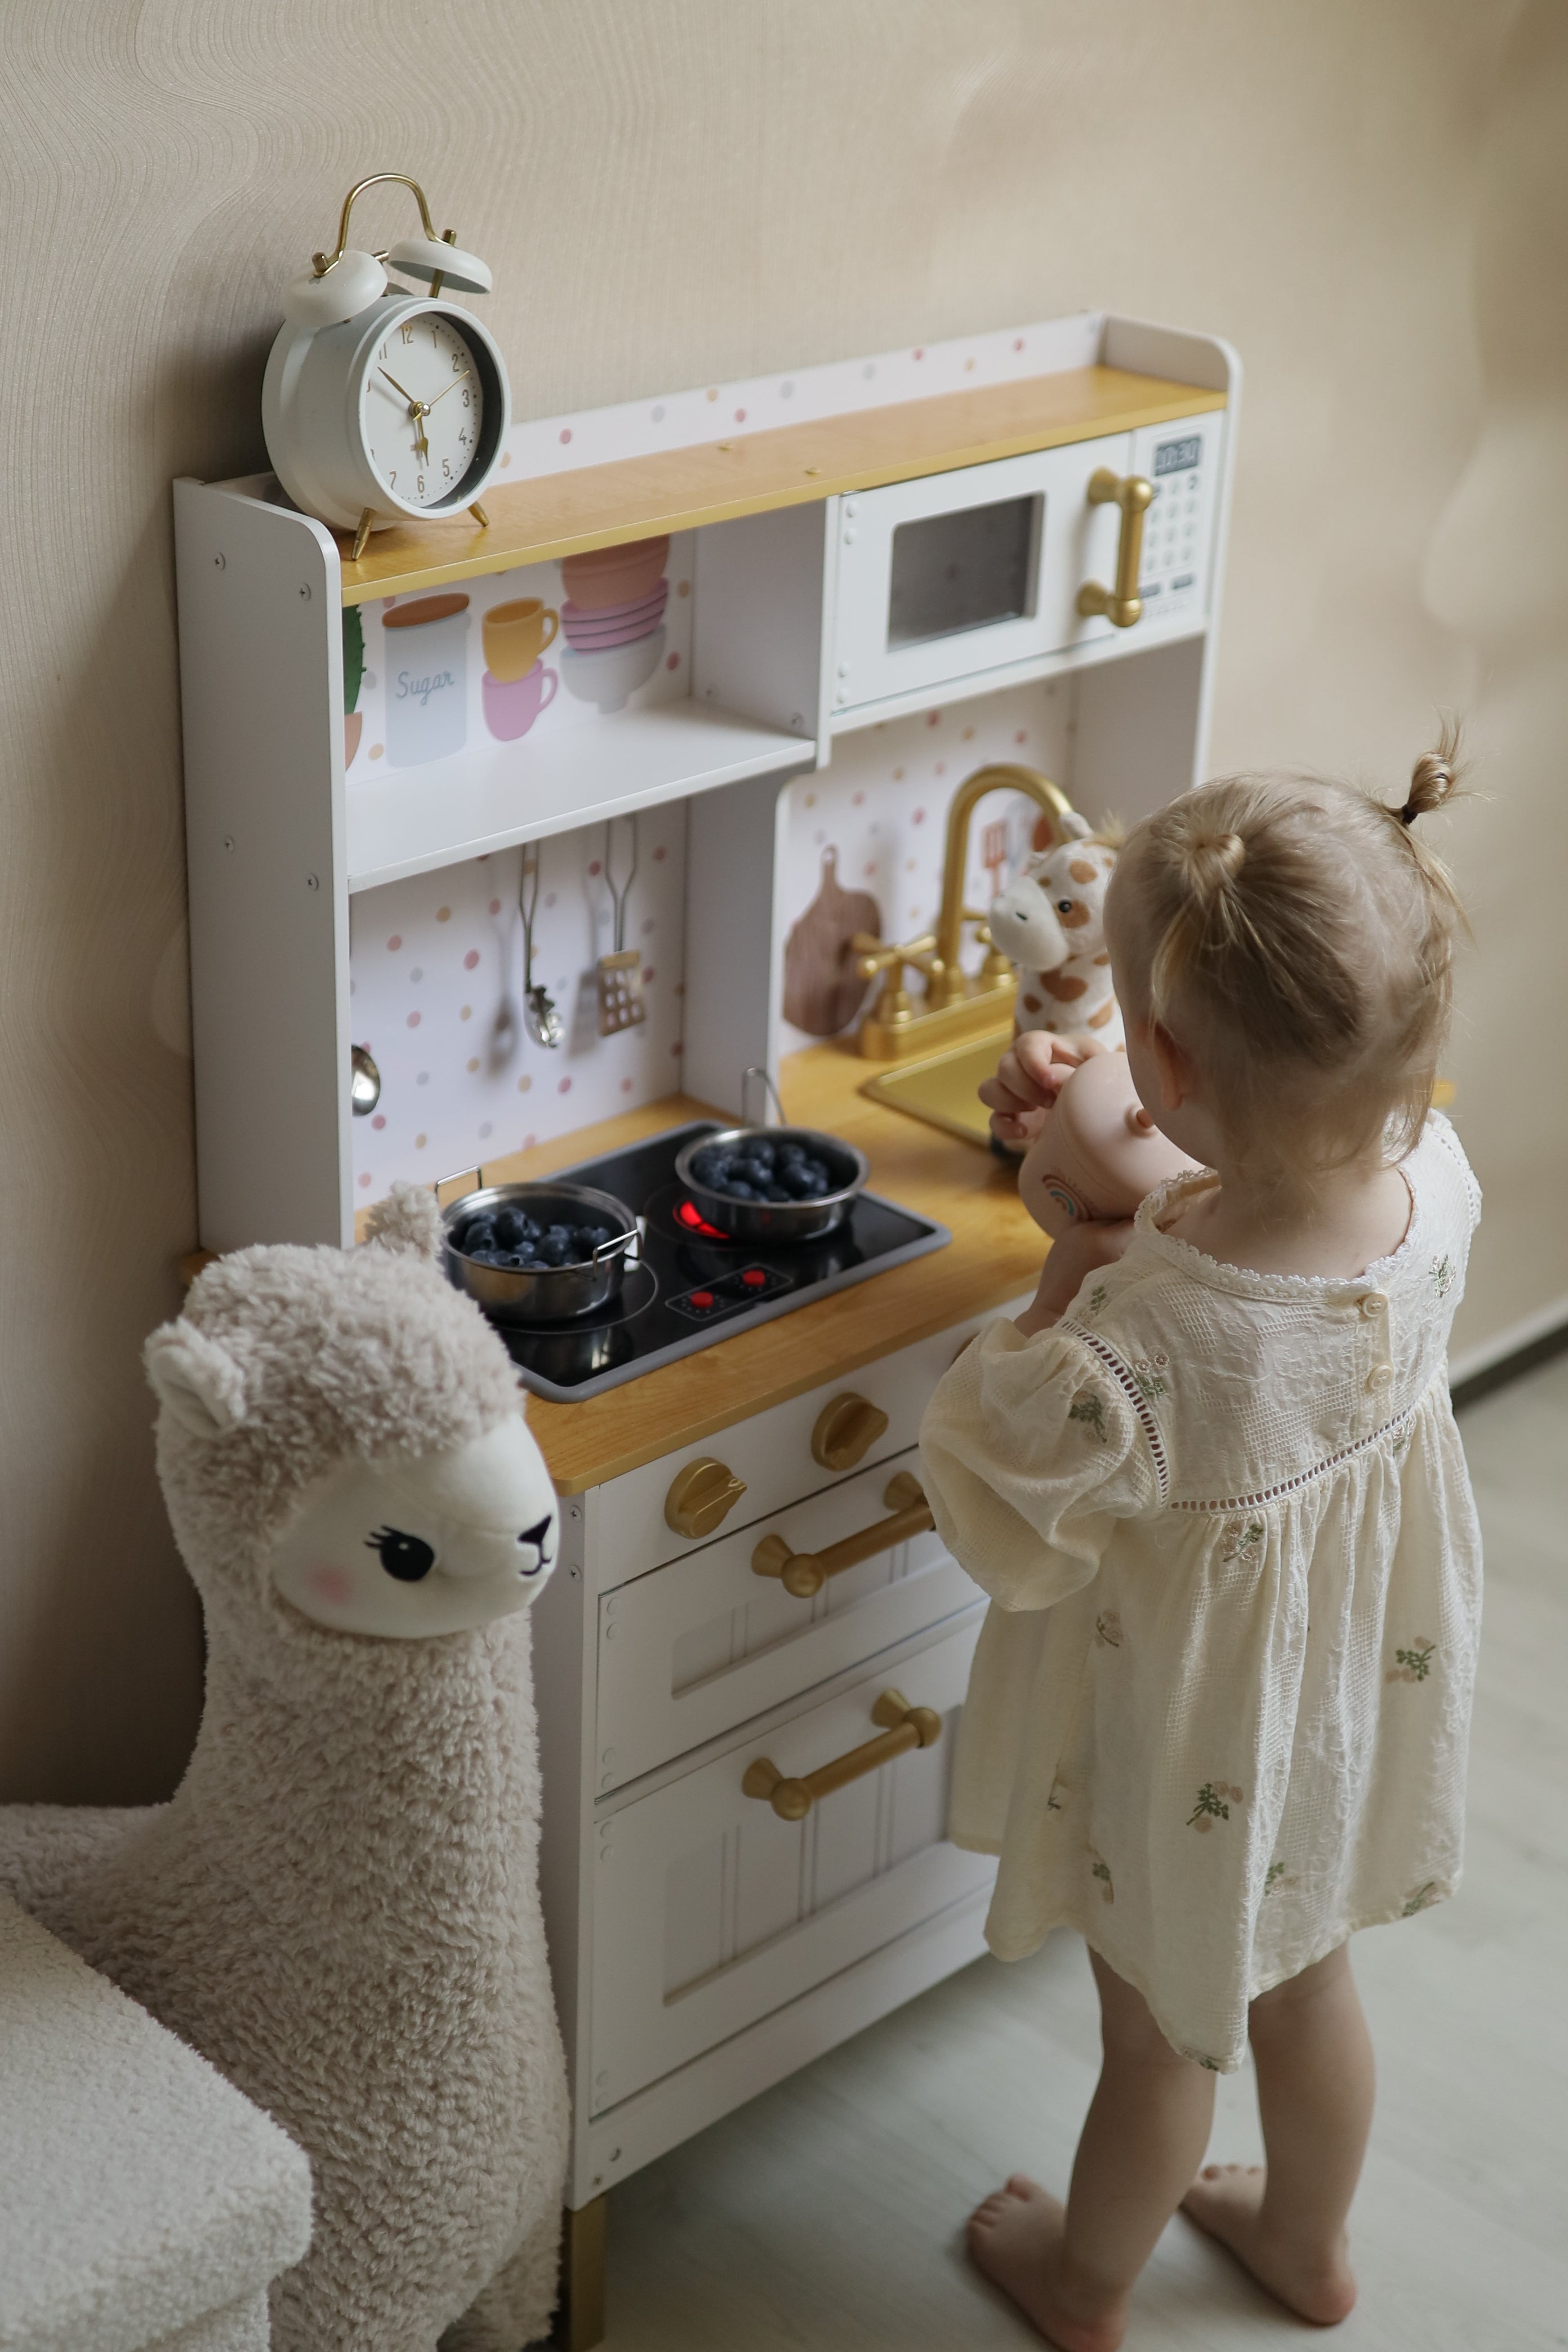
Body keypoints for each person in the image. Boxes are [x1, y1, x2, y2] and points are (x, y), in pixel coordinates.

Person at [920, 733, 1479, 2351]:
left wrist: (1062, 1274)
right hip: (1337, 1713)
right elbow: (1250, 1236)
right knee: (1308, 1987)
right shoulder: (1434, 1184)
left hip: (1190, 1745)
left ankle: (1083, 2286)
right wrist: (1114, 1203)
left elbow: (1003, 1466)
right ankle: (1308, 2247)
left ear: (1158, 1063)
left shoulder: (1139, 1346)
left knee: (1167, 2037)